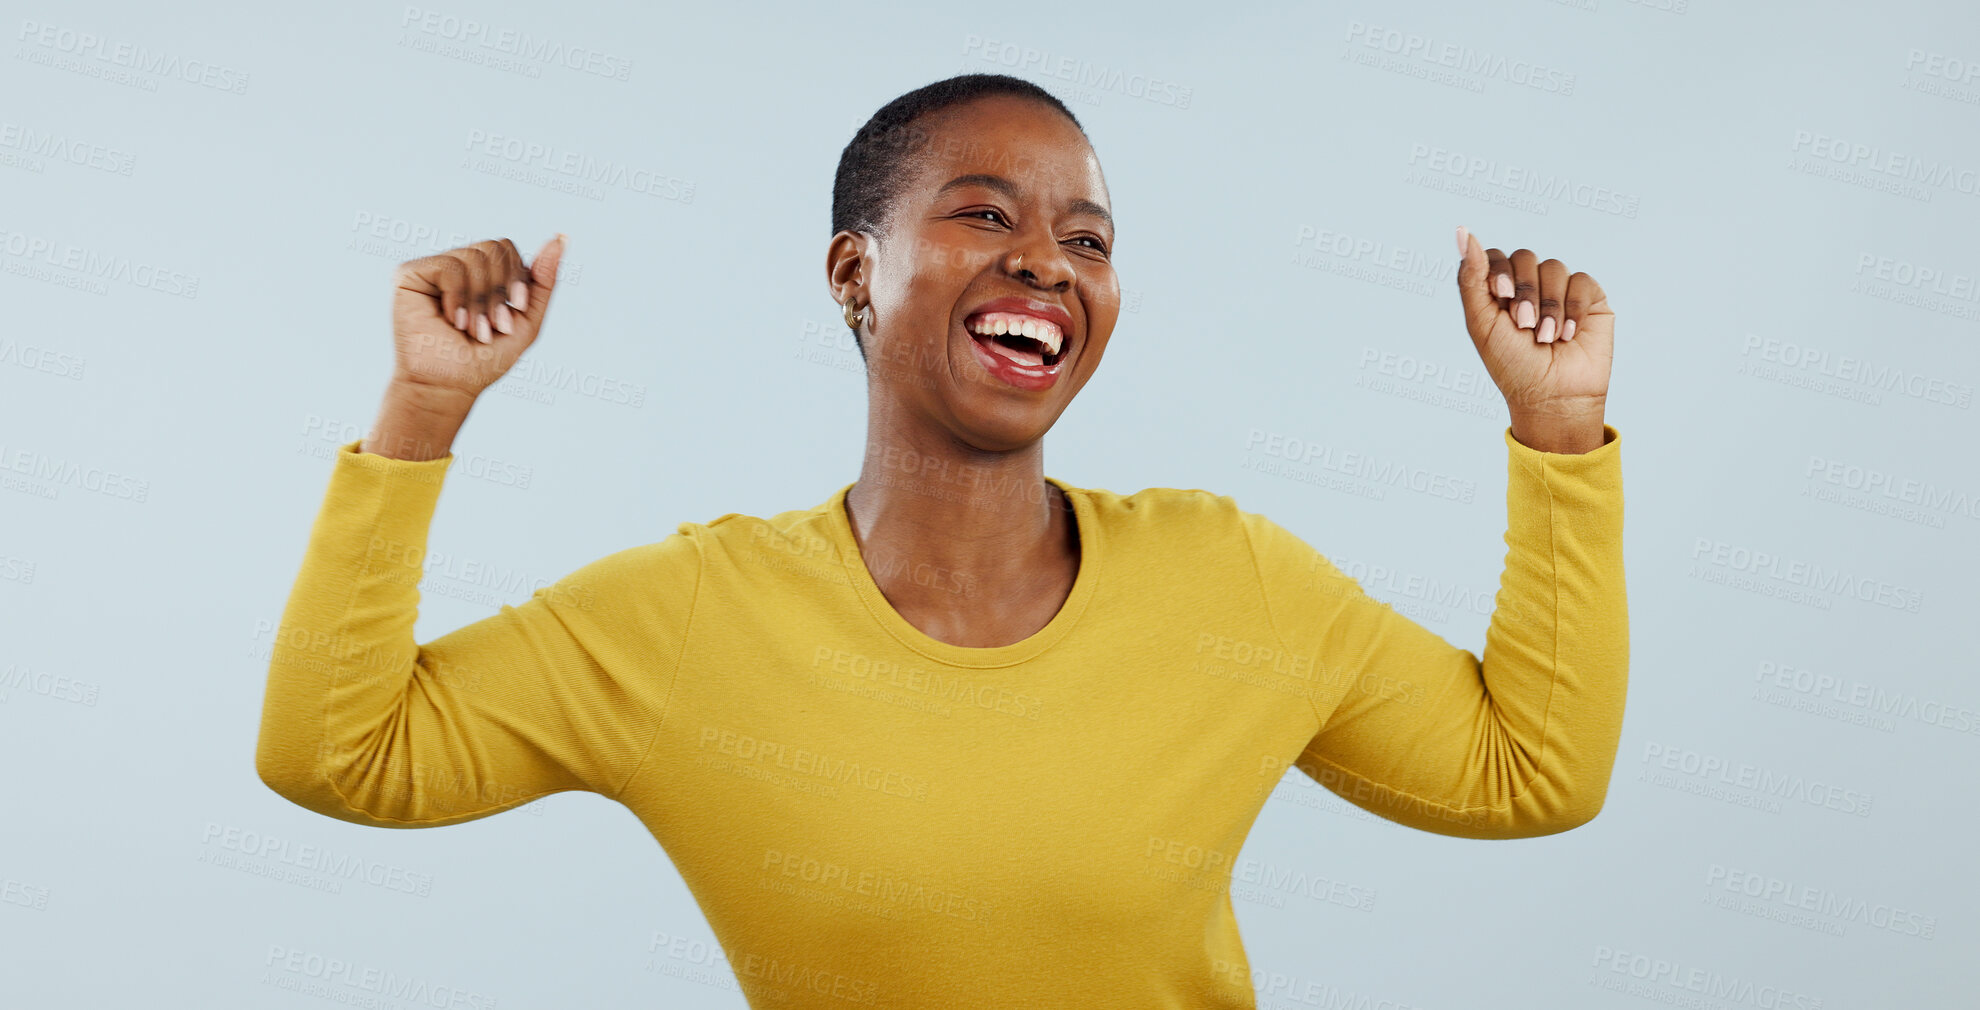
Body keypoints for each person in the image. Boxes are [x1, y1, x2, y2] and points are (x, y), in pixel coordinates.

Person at [256, 73, 1625, 1008]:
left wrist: (1557, 430)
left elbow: (1530, 772)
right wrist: (421, 413)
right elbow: (339, 753)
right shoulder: (682, 618)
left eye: (1086, 237)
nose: (1046, 260)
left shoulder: (1232, 580)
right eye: (986, 212)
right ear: (855, 270)